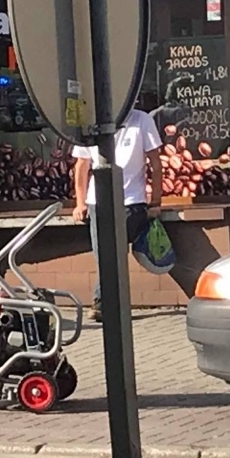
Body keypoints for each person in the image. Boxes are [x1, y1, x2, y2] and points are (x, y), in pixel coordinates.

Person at [70, 108, 162, 321]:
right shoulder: (91, 120)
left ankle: (104, 303)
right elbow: (82, 166)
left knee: (113, 254)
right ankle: (107, 303)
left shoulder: (142, 119)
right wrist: (80, 202)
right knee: (103, 253)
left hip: (131, 202)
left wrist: (156, 200)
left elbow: (155, 163)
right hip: (97, 201)